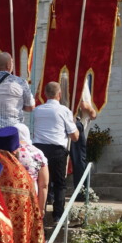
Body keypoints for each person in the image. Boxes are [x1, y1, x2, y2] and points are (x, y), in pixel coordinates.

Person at [33, 82, 79, 222]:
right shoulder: (64, 111)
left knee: (41, 183)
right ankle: (58, 215)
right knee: (59, 183)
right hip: (57, 150)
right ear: (59, 95)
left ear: (45, 94)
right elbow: (75, 136)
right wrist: (76, 126)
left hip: (39, 149)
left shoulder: (37, 110)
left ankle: (39, 213)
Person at [0, 51, 34, 150]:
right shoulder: (19, 82)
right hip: (11, 134)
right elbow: (30, 107)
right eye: (12, 62)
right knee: (11, 164)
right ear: (9, 65)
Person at [14, 123, 48, 215]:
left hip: (8, 197)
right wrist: (41, 209)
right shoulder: (37, 153)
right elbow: (43, 185)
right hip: (30, 196)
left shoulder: (3, 152)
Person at [70, 94, 97, 192]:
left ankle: (52, 195)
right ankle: (81, 191)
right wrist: (92, 112)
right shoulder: (77, 78)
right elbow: (83, 104)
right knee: (79, 159)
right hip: (73, 120)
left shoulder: (57, 78)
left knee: (57, 158)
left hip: (56, 120)